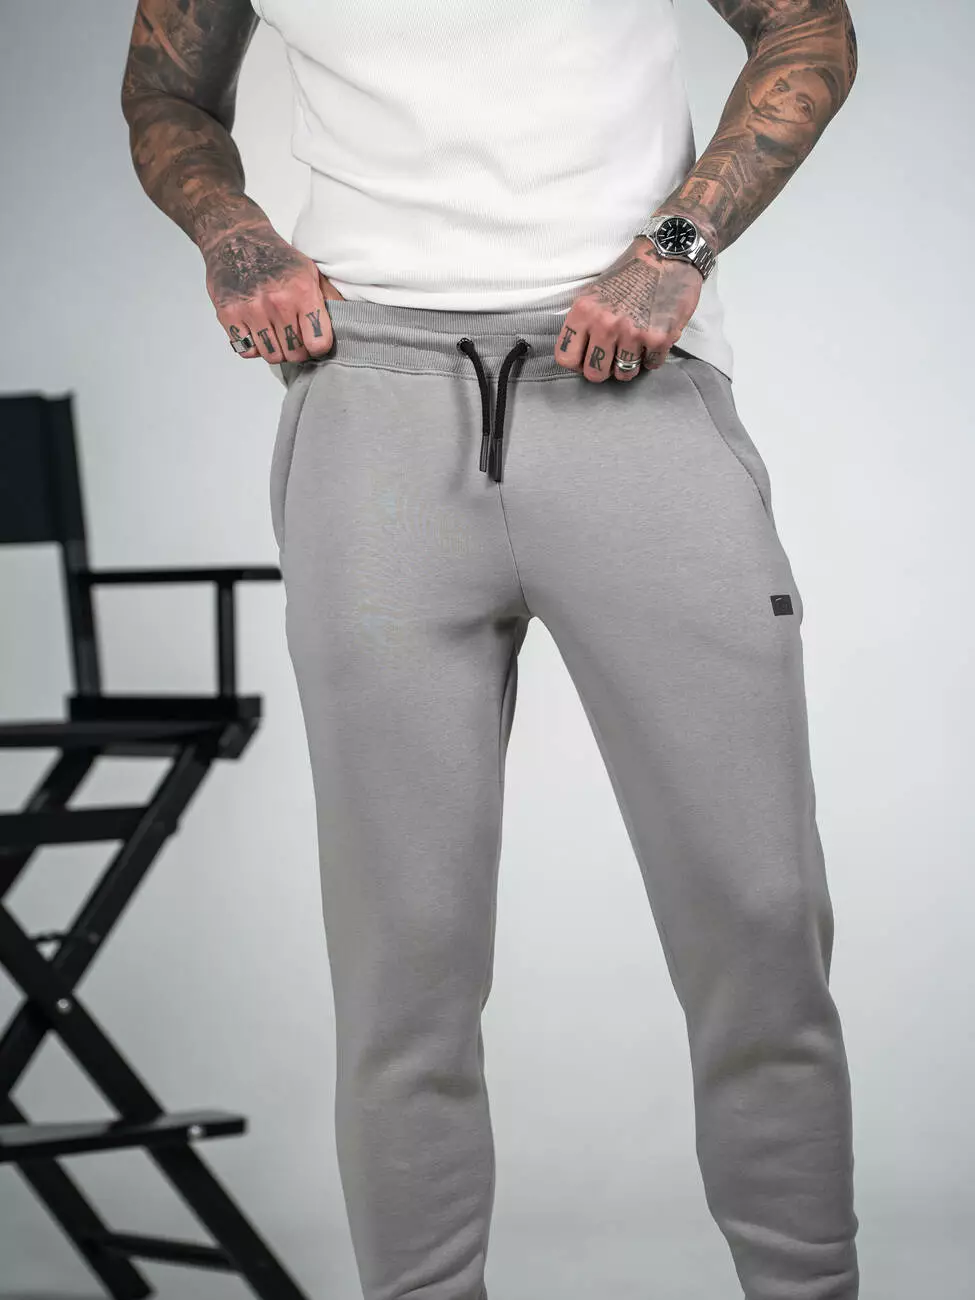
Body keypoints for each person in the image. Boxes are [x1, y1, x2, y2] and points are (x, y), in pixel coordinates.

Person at [121, 2, 861, 1297]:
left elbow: (807, 27)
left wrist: (676, 244)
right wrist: (234, 232)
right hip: (370, 411)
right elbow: (165, 91)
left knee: (758, 921)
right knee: (402, 960)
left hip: (634, 388)